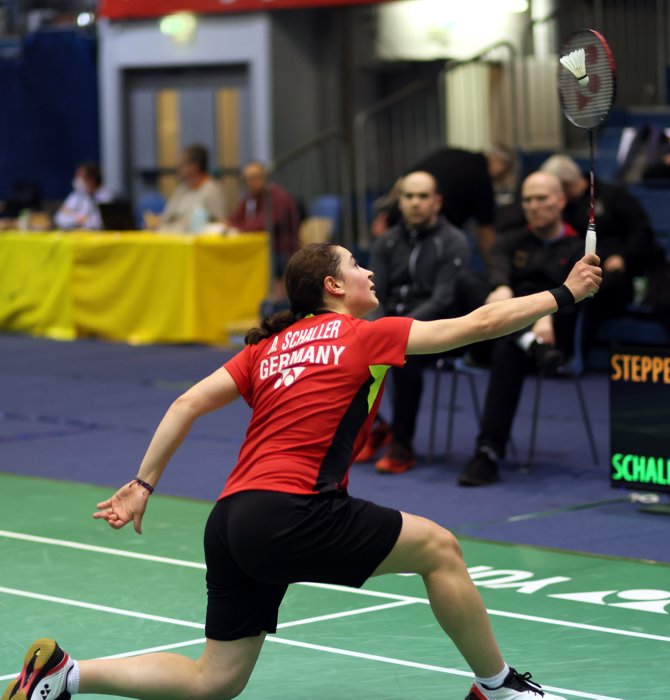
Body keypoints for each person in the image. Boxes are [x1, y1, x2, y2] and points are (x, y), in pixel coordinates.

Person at [1, 243, 601, 700]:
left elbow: (184, 402)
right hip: (294, 511)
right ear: (335, 286)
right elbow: (477, 325)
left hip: (230, 520)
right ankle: (499, 688)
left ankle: (66, 675)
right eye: (358, 265)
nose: (371, 273)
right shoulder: (365, 336)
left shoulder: (267, 348)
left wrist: (143, 484)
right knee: (440, 548)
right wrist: (565, 292)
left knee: (216, 681)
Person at [458, 171, 586, 487]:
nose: (532, 206)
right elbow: (498, 273)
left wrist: (546, 316)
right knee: (464, 282)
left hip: (550, 340)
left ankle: (487, 453)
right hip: (497, 329)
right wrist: (500, 285)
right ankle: (526, 339)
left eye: (541, 198)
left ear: (560, 201)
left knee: (508, 348)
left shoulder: (578, 247)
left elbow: (579, 300)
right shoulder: (509, 240)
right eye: (527, 199)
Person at [358, 171, 470, 473]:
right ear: (401, 201)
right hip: (389, 321)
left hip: (437, 328)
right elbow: (372, 293)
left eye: (422, 197)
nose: (415, 203)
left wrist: (396, 331)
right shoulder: (386, 242)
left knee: (403, 355)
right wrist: (377, 328)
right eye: (408, 196)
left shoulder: (454, 242)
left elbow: (444, 299)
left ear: (437, 202)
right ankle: (376, 426)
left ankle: (402, 446)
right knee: (341, 346)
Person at [539, 154, 658, 351]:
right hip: (577, 269)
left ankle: (568, 352)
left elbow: (641, 230)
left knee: (588, 294)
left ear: (565, 184)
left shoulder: (613, 195)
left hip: (619, 273)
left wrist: (624, 258)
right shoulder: (564, 208)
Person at [371, 144, 515, 263]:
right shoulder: (483, 179)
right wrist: (494, 269)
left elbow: (404, 180)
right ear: (498, 163)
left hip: (404, 226)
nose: (501, 180)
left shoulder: (450, 152)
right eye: (505, 173)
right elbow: (485, 232)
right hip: (431, 235)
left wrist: (387, 212)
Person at [225, 160, 301, 294]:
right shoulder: (251, 198)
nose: (251, 183)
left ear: (264, 178)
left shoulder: (278, 197)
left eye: (255, 178)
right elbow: (235, 219)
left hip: (281, 251)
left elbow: (260, 225)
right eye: (247, 180)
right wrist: (232, 225)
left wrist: (236, 227)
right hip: (261, 249)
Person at [158, 144, 226, 233]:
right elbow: (166, 216)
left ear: (194, 167)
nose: (177, 168)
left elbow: (220, 223)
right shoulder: (181, 189)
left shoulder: (212, 189)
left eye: (182, 164)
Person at [53, 163, 114, 231]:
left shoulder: (106, 196)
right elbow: (59, 218)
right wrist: (78, 219)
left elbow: (99, 222)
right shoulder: (75, 196)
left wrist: (81, 220)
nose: (77, 179)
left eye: (80, 176)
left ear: (92, 179)